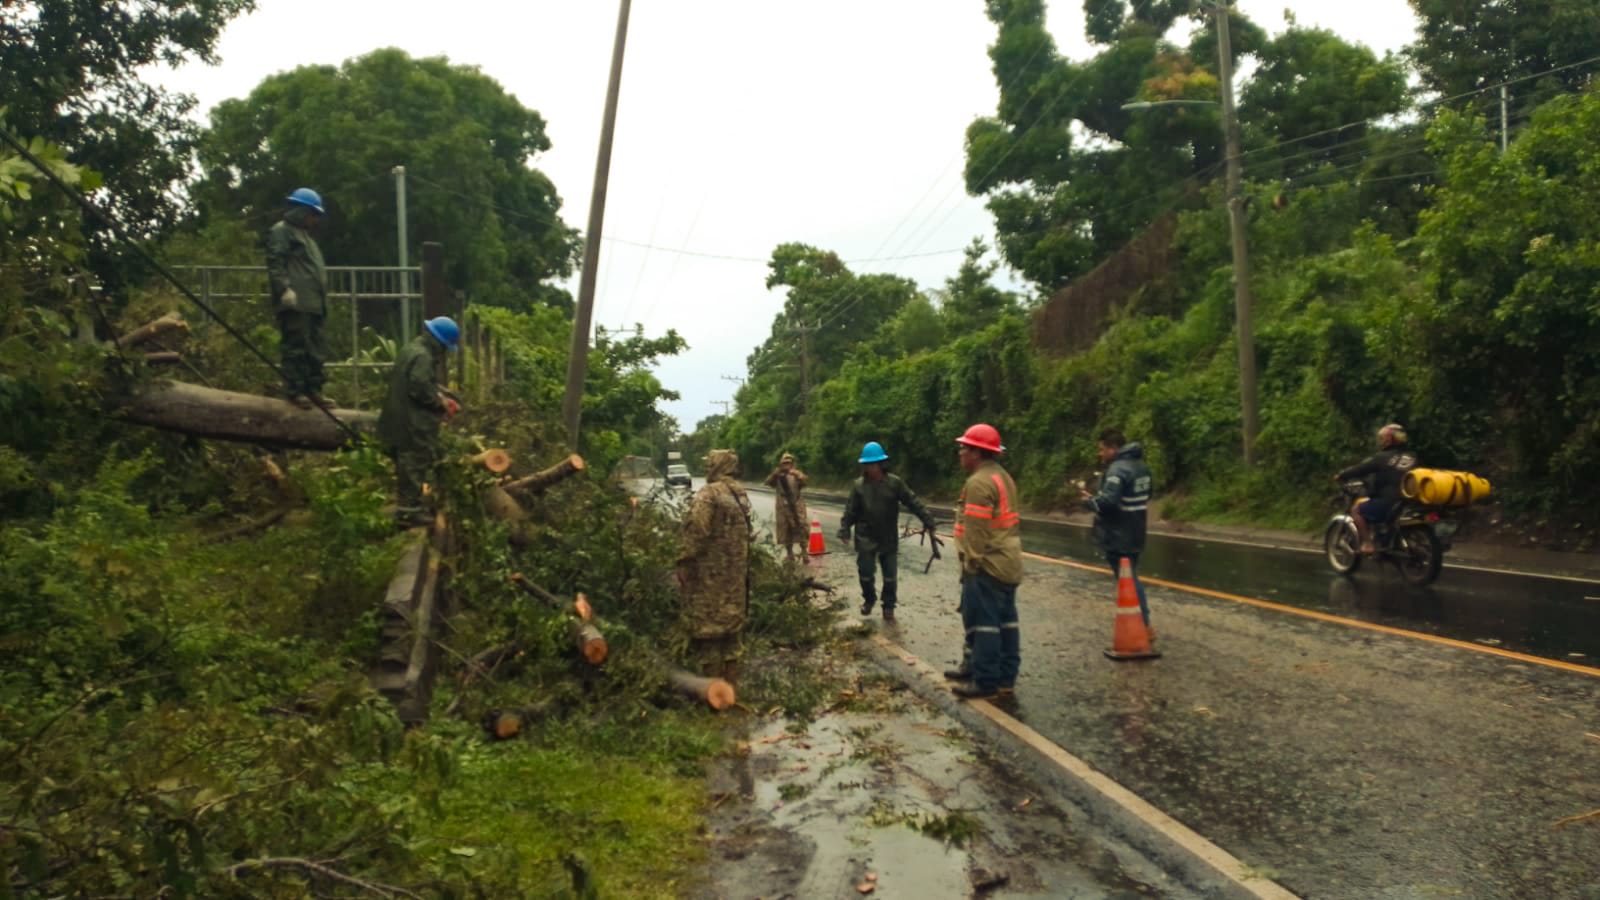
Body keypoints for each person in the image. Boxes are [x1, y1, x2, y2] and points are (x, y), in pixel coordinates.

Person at [947, 423, 1023, 700]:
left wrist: (971, 565)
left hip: (988, 565)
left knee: (984, 624)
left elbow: (976, 531)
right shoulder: (1003, 477)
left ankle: (986, 680)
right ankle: (1006, 678)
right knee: (1007, 622)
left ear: (977, 453)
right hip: (1008, 561)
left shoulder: (979, 483)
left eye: (964, 448)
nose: (960, 453)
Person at [837, 441, 936, 623]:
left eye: (874, 464)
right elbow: (850, 510)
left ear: (881, 464)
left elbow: (912, 501)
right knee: (866, 573)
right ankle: (869, 599)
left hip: (887, 535)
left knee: (890, 576)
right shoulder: (858, 486)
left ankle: (889, 606)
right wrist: (844, 529)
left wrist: (927, 520)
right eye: (868, 465)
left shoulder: (895, 483)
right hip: (865, 535)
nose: (871, 468)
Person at [677, 449, 754, 681]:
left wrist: (683, 560)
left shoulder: (709, 494)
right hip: (736, 576)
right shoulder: (739, 494)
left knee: (708, 633)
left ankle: (712, 691)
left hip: (710, 576)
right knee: (732, 636)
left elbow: (696, 530)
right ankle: (731, 687)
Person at [377, 317, 460, 527]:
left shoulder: (412, 349)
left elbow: (418, 381)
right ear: (439, 342)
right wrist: (440, 403)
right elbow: (419, 387)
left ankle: (410, 507)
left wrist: (441, 392)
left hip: (400, 415)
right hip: (411, 421)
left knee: (407, 464)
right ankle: (408, 513)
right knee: (413, 463)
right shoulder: (424, 356)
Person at [1081, 429, 1154, 634]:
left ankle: (1143, 625)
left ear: (1113, 448)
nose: (1100, 454)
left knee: (1128, 581)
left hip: (1119, 534)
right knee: (1130, 576)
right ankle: (1142, 624)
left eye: (1102, 449)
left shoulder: (1117, 470)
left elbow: (1109, 503)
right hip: (1137, 531)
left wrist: (1089, 502)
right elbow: (1147, 494)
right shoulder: (1142, 467)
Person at [265, 188, 330, 409]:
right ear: (303, 211)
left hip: (314, 303)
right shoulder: (281, 231)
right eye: (313, 215)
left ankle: (314, 390)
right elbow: (276, 261)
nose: (315, 220)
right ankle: (295, 391)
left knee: (315, 348)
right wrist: (284, 289)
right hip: (296, 302)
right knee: (296, 346)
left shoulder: (306, 237)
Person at [1336, 423, 1418, 555]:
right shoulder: (1412, 457)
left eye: (1383, 438)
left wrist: (1341, 475)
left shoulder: (1381, 457)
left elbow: (1360, 468)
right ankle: (1385, 540)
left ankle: (1367, 543)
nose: (1381, 441)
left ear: (1389, 439)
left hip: (1389, 501)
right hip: (1408, 500)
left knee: (1356, 510)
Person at [763, 452, 809, 561]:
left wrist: (796, 474)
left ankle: (804, 551)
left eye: (789, 463)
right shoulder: (778, 475)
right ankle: (789, 552)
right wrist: (775, 474)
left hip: (796, 503)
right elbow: (767, 482)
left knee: (801, 526)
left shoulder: (796, 474)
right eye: (784, 463)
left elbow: (805, 481)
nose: (787, 465)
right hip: (783, 504)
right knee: (785, 528)